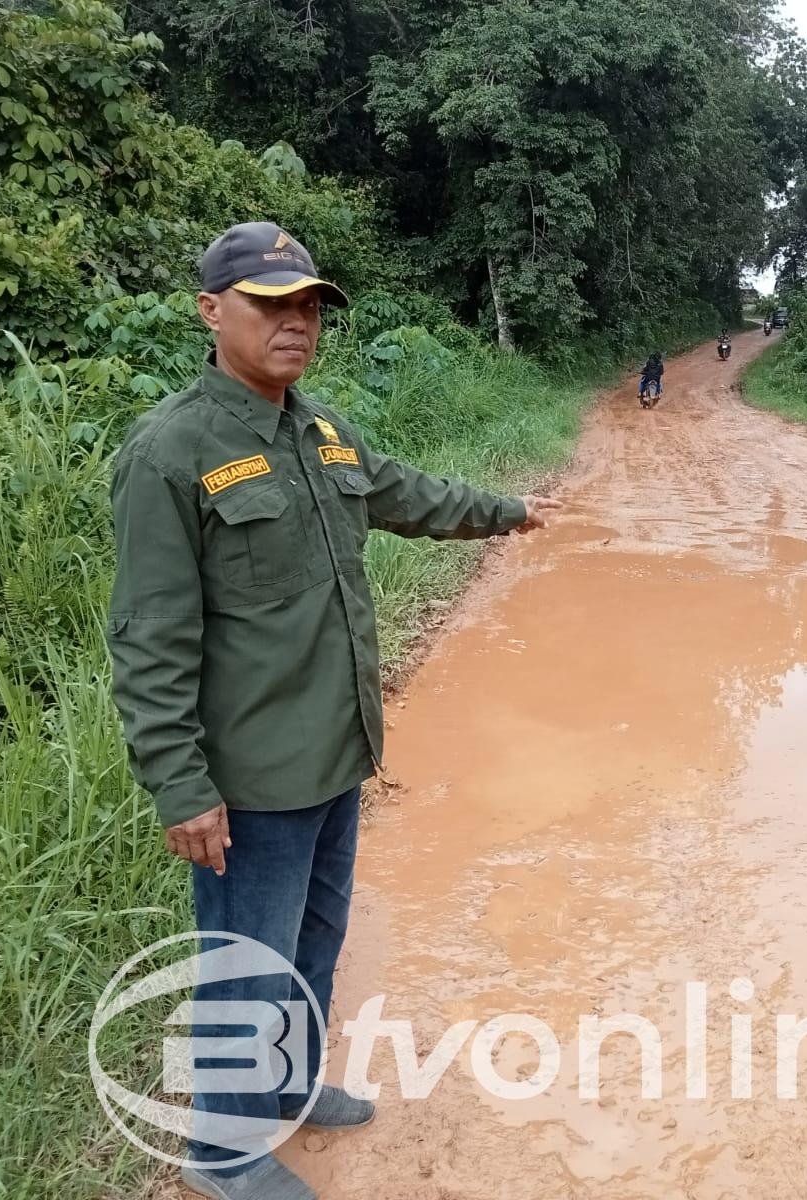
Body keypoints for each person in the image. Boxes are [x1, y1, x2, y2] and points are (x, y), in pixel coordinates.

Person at [107, 221, 563, 1200]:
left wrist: (507, 509)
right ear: (211, 309)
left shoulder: (319, 431)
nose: (295, 322)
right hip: (254, 778)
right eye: (271, 303)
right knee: (245, 963)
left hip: (336, 753)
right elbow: (149, 637)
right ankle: (222, 1152)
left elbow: (405, 492)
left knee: (315, 941)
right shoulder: (171, 451)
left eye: (308, 305)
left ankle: (286, 1083)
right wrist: (180, 783)